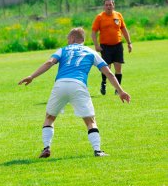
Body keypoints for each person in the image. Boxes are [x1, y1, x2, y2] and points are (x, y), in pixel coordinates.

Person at [18, 27, 131, 158]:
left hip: (60, 85)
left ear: (72, 38)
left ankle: (46, 148)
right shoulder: (91, 52)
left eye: (68, 39)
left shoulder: (63, 50)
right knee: (90, 121)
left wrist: (32, 76)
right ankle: (97, 150)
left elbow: (50, 62)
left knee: (49, 118)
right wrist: (120, 91)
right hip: (78, 85)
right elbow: (109, 73)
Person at [91, 0, 132, 95]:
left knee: (118, 68)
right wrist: (96, 45)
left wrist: (129, 43)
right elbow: (93, 32)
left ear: (113, 5)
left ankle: (118, 90)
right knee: (106, 67)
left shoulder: (118, 15)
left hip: (118, 45)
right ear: (104, 6)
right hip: (105, 47)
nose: (108, 7)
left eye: (110, 5)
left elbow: (124, 30)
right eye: (107, 5)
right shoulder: (99, 17)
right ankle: (104, 83)